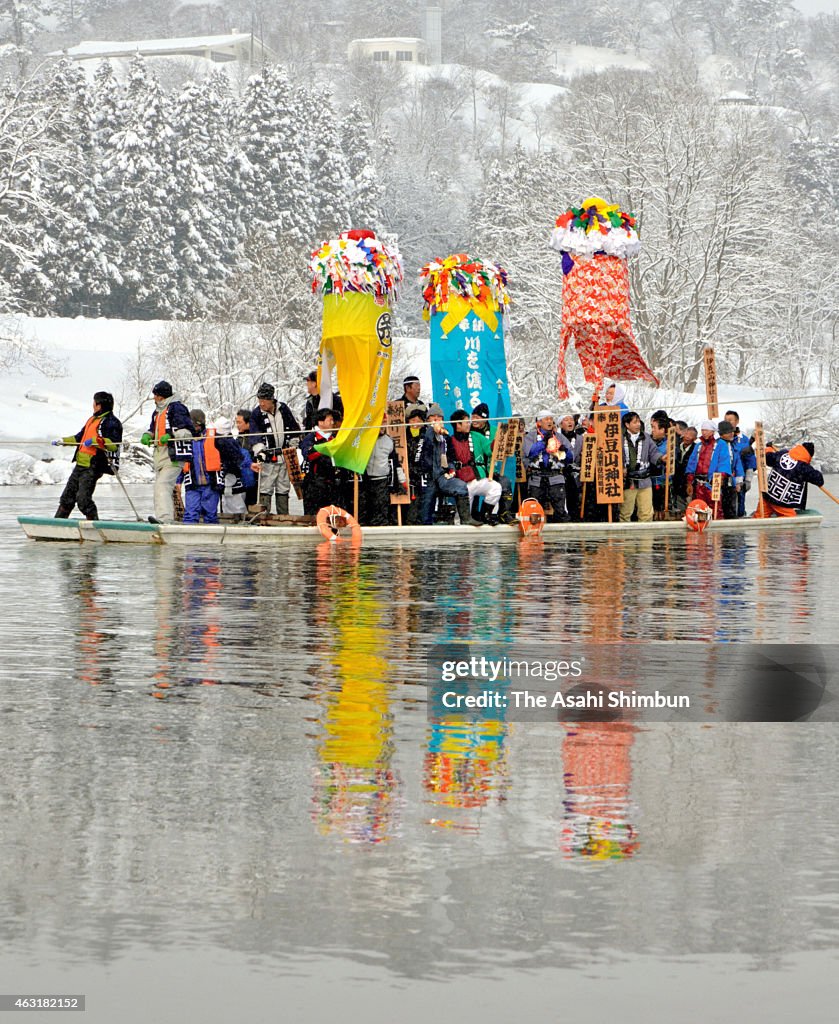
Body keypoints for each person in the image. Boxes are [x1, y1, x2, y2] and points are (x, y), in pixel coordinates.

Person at [53, 391, 123, 521]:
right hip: (80, 464)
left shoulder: (112, 422)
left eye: (94, 403)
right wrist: (62, 441)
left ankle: (94, 523)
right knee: (67, 497)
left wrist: (97, 441)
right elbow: (79, 437)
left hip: (93, 466)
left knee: (83, 499)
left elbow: (114, 445)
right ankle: (58, 523)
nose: (93, 405)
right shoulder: (92, 420)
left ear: (99, 405)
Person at [175, 410, 244, 524]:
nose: (193, 428)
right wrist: (178, 481)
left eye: (195, 425)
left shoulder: (215, 438)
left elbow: (235, 456)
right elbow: (181, 462)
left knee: (210, 514)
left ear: (201, 424)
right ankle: (188, 536)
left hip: (212, 484)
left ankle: (212, 537)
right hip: (192, 484)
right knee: (190, 513)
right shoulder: (186, 440)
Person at [420, 405, 482, 526]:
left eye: (440, 417)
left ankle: (466, 519)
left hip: (443, 475)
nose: (437, 420)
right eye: (433, 417)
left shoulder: (446, 437)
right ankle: (425, 527)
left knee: (461, 486)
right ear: (428, 420)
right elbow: (424, 448)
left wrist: (452, 468)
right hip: (428, 476)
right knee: (427, 504)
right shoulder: (424, 434)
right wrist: (432, 430)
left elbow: (451, 457)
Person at [141, 381, 193, 523]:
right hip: (160, 456)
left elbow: (188, 431)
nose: (154, 398)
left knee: (163, 485)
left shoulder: (177, 408)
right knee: (158, 487)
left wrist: (170, 436)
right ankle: (161, 518)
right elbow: (153, 429)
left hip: (173, 456)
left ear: (161, 396)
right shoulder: (157, 412)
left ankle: (165, 520)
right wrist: (148, 435)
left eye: (155, 395)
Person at [250, 382, 301, 515]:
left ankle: (283, 516)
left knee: (283, 487)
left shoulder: (283, 409)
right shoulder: (256, 414)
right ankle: (263, 517)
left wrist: (293, 443)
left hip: (284, 456)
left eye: (264, 401)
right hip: (267, 457)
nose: (261, 404)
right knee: (265, 487)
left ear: (271, 399)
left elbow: (294, 428)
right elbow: (255, 435)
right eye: (259, 400)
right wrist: (260, 450)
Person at [449, 410, 503, 523]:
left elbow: (489, 450)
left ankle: (485, 515)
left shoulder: (476, 436)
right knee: (463, 515)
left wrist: (498, 440)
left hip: (478, 477)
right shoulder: (450, 441)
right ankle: (459, 527)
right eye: (466, 422)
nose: (469, 424)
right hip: (462, 483)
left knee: (496, 488)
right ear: (457, 425)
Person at [523, 411, 572, 522]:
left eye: (551, 419)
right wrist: (544, 441)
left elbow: (570, 458)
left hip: (556, 477)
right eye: (546, 419)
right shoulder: (531, 436)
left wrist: (564, 450)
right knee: (534, 511)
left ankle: (562, 534)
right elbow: (529, 452)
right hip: (536, 477)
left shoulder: (560, 437)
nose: (550, 421)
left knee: (560, 511)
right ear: (539, 422)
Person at [755, 442, 824, 517]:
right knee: (790, 517)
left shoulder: (782, 454)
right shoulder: (804, 467)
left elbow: (767, 457)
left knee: (760, 515)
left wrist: (769, 449)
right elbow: (819, 480)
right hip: (781, 501)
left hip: (767, 495)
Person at [619, 411, 662, 523]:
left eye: (638, 421)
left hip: (645, 480)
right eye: (634, 422)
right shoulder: (619, 438)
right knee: (625, 512)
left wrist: (661, 458)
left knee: (646, 513)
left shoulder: (646, 437)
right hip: (628, 480)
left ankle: (646, 540)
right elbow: (615, 456)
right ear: (627, 425)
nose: (638, 424)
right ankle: (625, 539)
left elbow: (653, 452)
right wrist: (621, 467)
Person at [362, 417, 406, 525]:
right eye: (380, 423)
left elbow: (395, 462)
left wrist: (402, 480)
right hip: (364, 480)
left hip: (382, 480)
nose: (382, 426)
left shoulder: (389, 441)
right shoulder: (364, 438)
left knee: (381, 507)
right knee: (364, 508)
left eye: (384, 423)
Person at [300, 408, 338, 515]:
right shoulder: (310, 438)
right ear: (320, 422)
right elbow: (308, 455)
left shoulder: (335, 438)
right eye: (329, 420)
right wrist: (325, 448)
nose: (332, 423)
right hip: (314, 484)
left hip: (332, 483)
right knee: (313, 516)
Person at [724, 410, 756, 517]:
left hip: (739, 478)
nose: (727, 422)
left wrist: (748, 480)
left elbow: (750, 461)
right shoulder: (720, 439)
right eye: (725, 420)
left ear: (737, 421)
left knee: (738, 506)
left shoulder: (743, 440)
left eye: (730, 420)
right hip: (724, 478)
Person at [685, 420, 718, 511]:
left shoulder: (719, 445)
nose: (704, 432)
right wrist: (689, 482)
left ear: (712, 431)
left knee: (714, 509)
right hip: (698, 484)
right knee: (698, 509)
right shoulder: (698, 446)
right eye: (702, 430)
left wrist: (720, 478)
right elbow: (691, 464)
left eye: (706, 430)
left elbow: (723, 463)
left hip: (712, 483)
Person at [405, 405, 428, 525]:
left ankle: (418, 521)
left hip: (421, 475)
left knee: (421, 500)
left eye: (419, 421)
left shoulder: (426, 436)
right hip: (406, 474)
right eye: (413, 420)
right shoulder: (403, 436)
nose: (415, 423)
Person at [234, 409, 260, 510]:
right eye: (236, 422)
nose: (237, 425)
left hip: (252, 478)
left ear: (248, 423)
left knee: (251, 503)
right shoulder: (238, 438)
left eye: (240, 422)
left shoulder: (254, 438)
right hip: (240, 479)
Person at [671, 425, 698, 516]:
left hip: (689, 483)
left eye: (690, 435)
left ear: (694, 438)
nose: (687, 437)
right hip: (676, 482)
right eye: (686, 433)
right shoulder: (676, 447)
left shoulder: (696, 449)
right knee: (678, 509)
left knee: (690, 508)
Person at [648, 411, 670, 521]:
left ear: (662, 430)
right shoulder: (648, 440)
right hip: (648, 481)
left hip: (662, 482)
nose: (652, 430)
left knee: (660, 509)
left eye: (654, 428)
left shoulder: (669, 443)